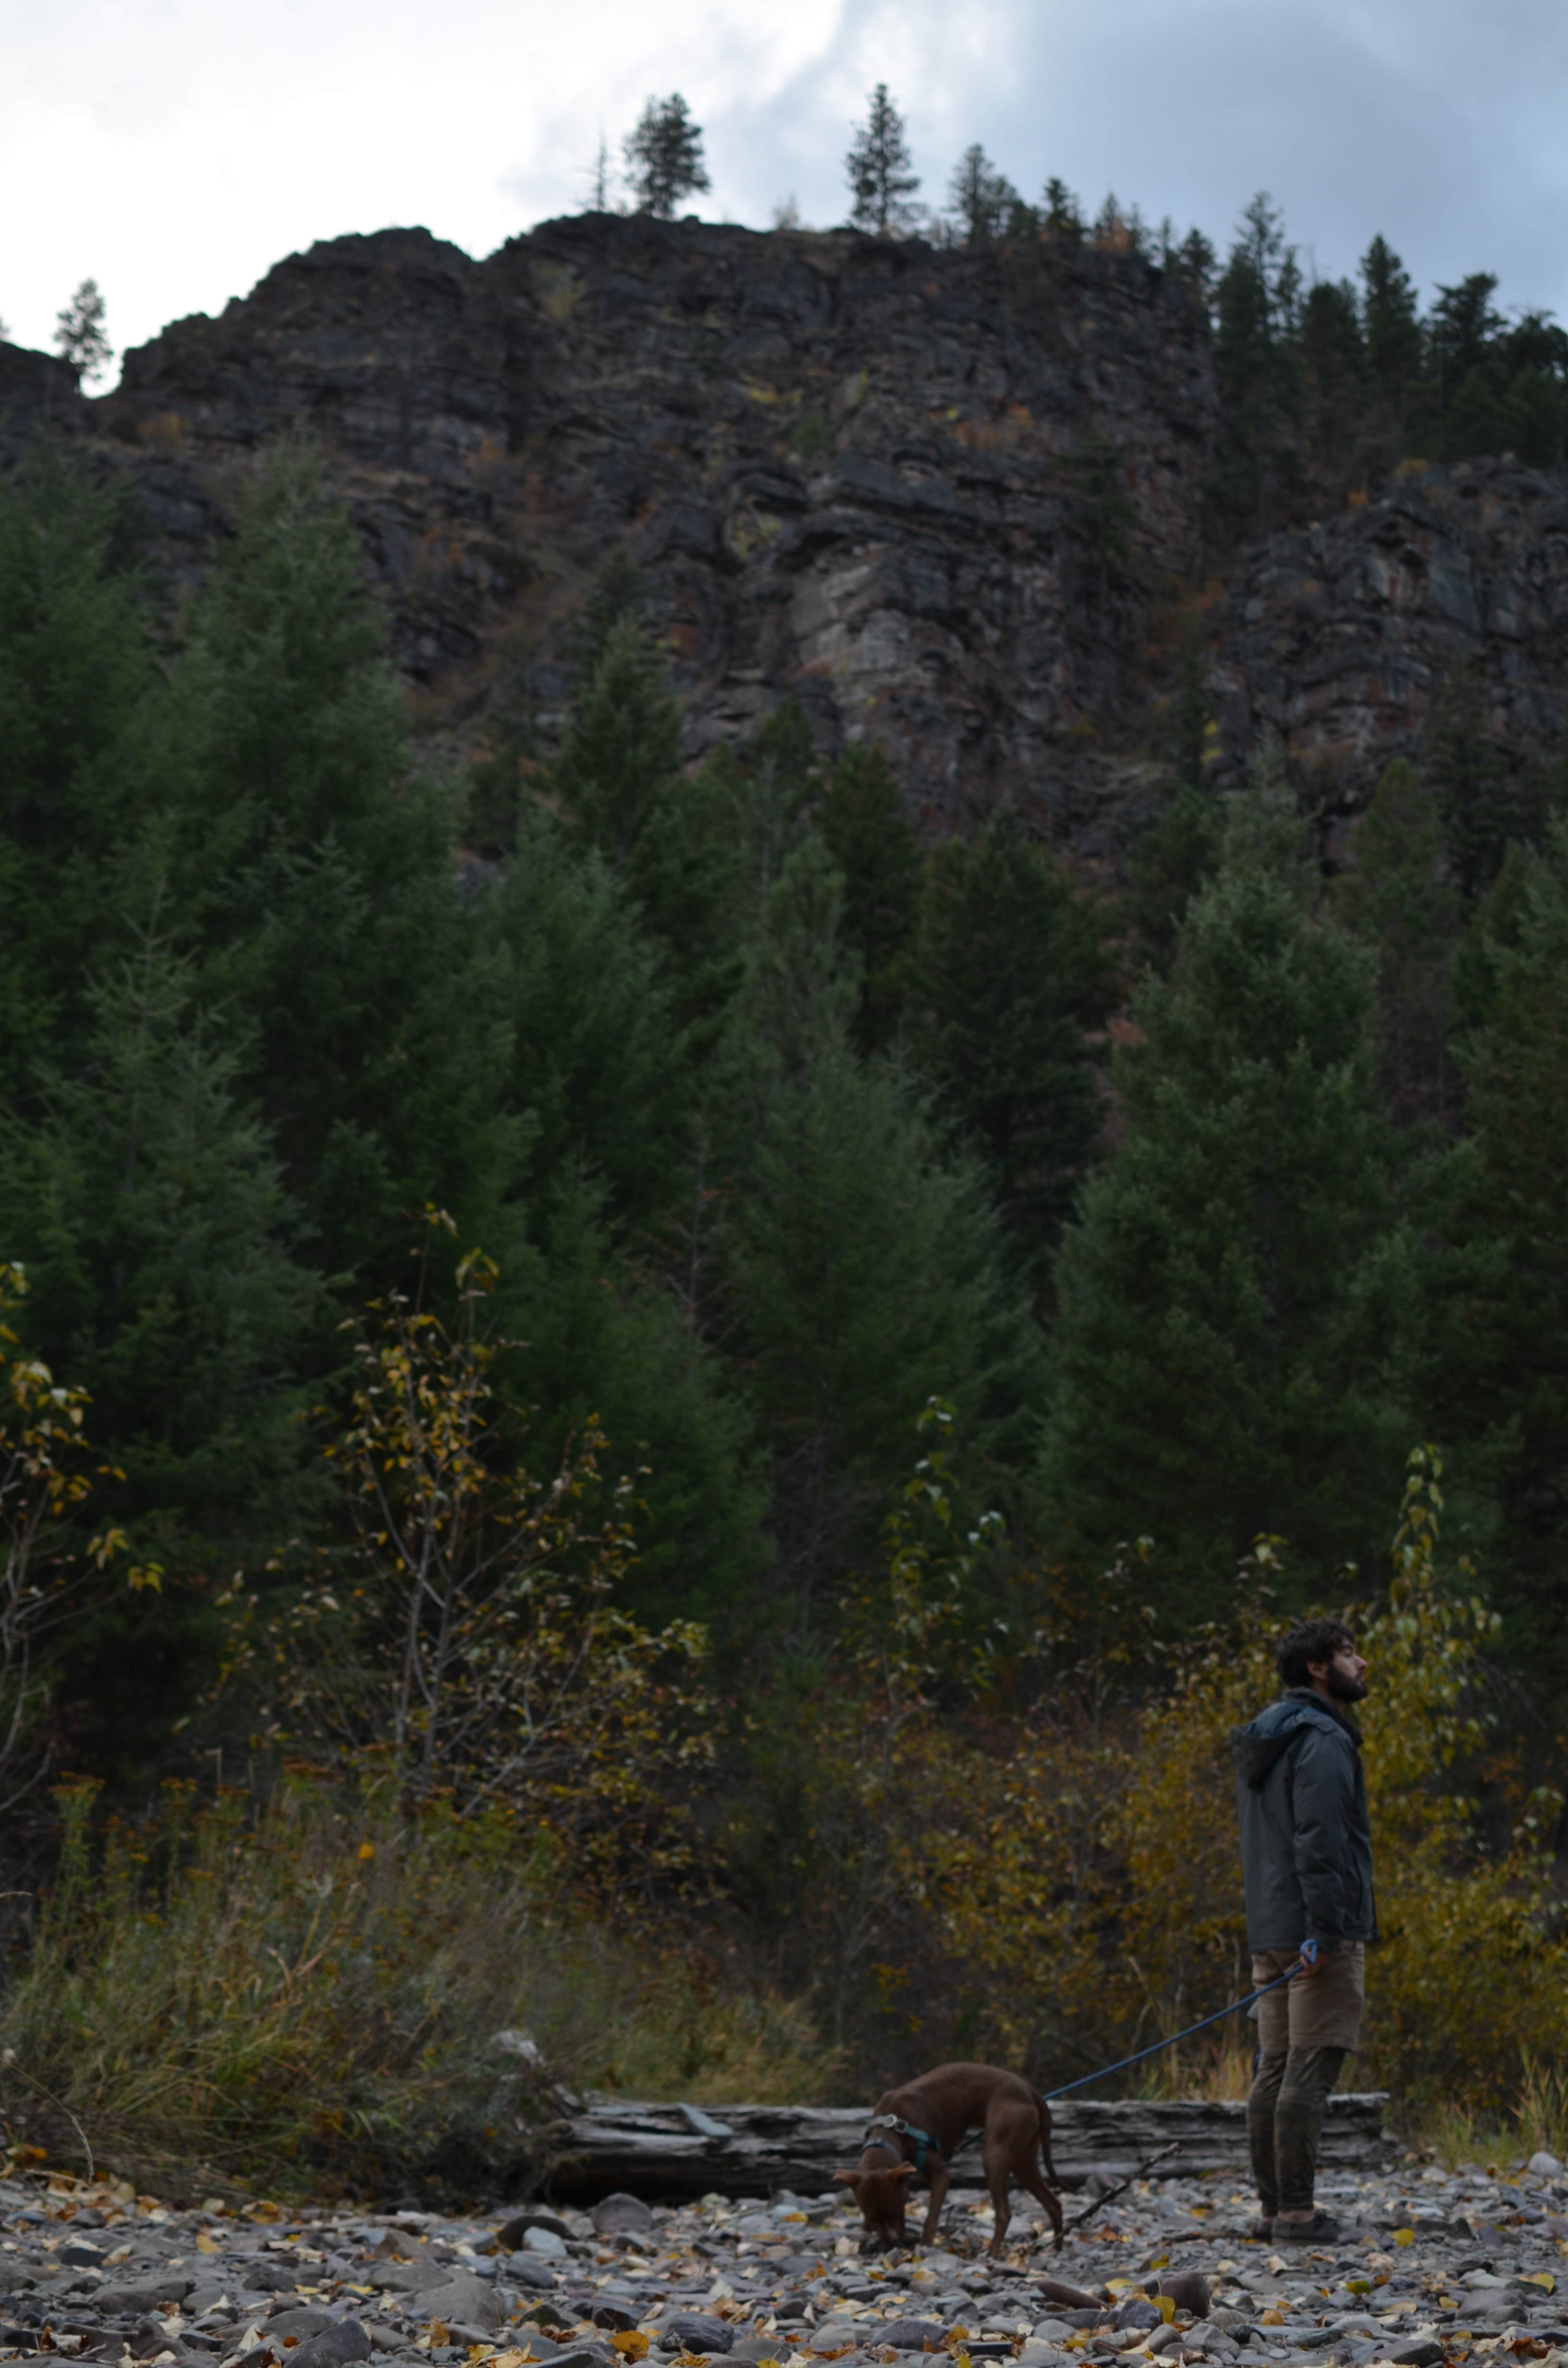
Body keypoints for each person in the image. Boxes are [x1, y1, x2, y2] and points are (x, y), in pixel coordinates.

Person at [1231, 1617, 1374, 2243]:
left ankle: (1271, 2212)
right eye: (1348, 1654)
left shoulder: (1271, 1734)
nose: (1362, 1663)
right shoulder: (1322, 1739)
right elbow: (1320, 1841)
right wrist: (1326, 1928)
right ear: (1318, 1668)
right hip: (1317, 1932)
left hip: (1269, 1925)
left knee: (1277, 2068)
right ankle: (1296, 2214)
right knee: (1306, 2073)